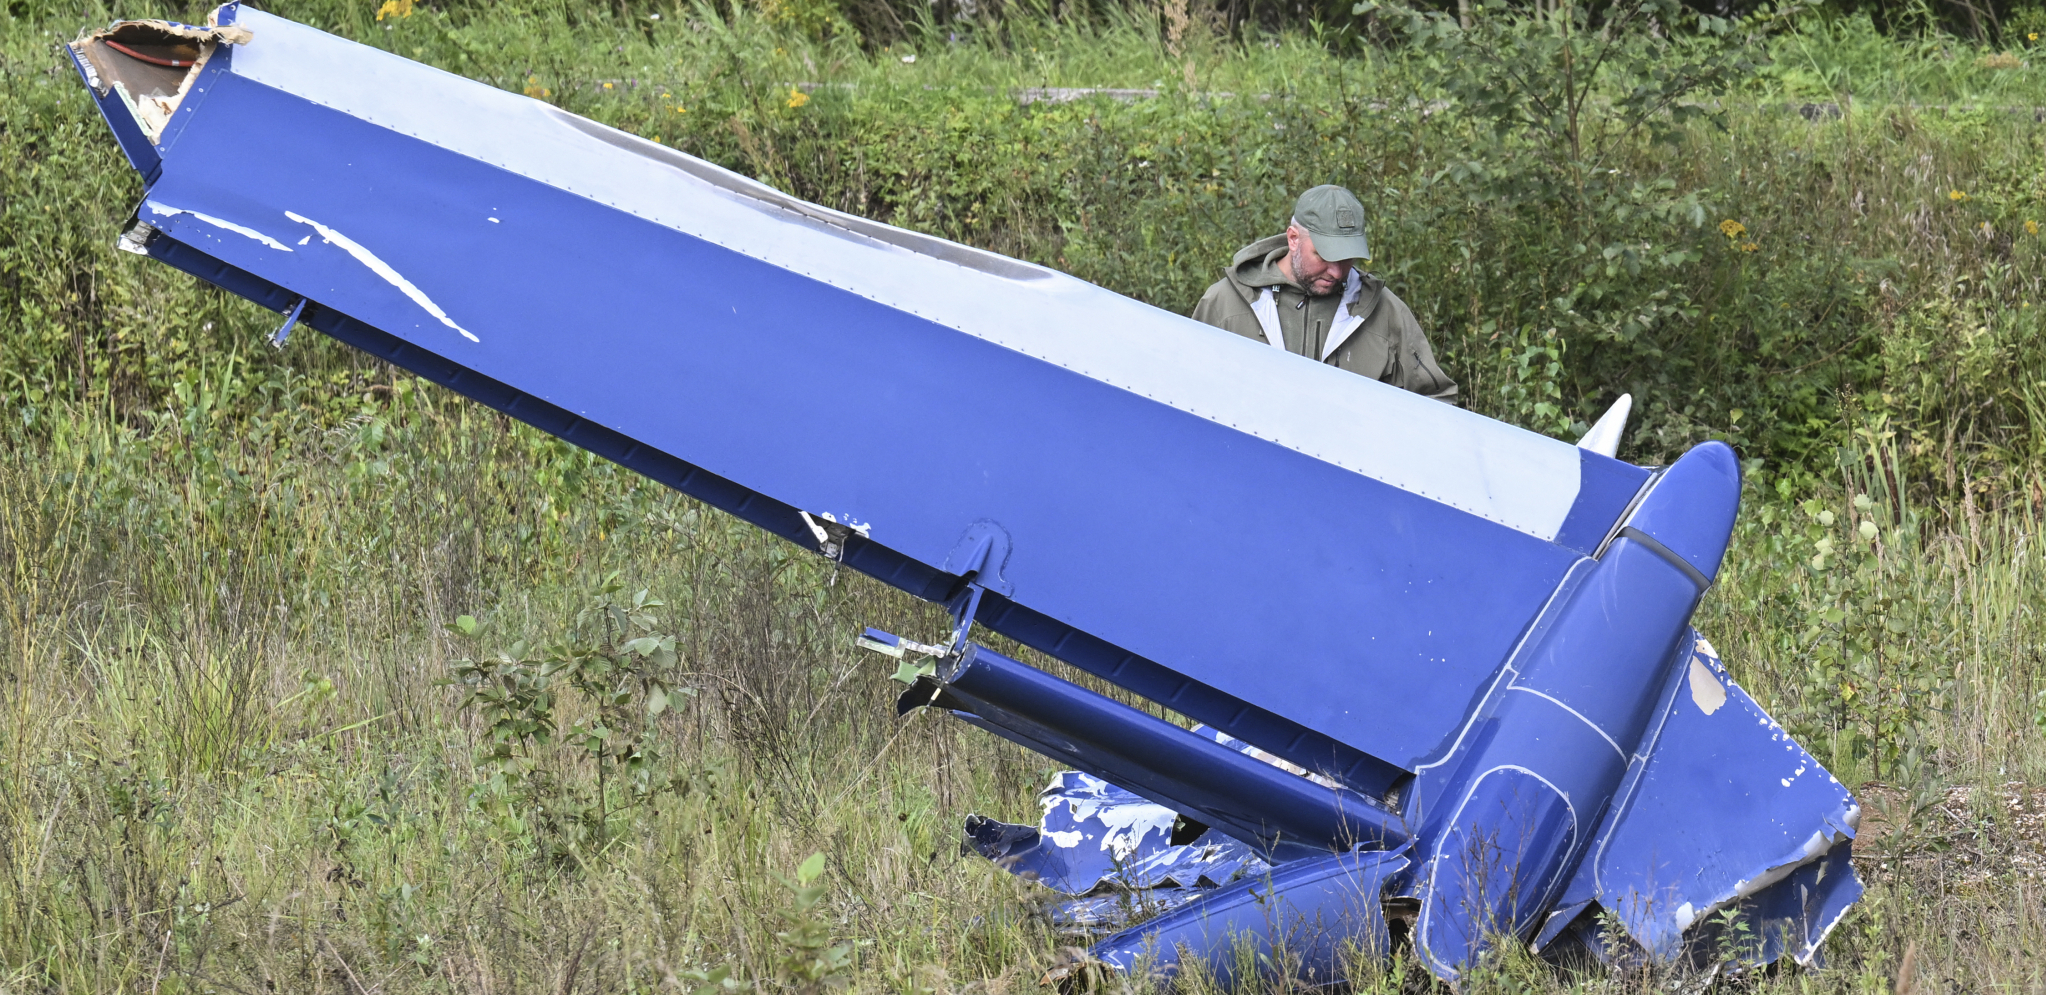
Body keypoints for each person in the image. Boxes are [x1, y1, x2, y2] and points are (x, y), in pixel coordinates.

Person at [1191, 185, 1458, 402]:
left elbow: (1437, 402)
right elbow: (1187, 391)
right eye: (1323, 256)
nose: (1337, 272)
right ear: (1293, 239)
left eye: (1347, 258)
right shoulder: (1224, 304)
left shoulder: (1385, 312)